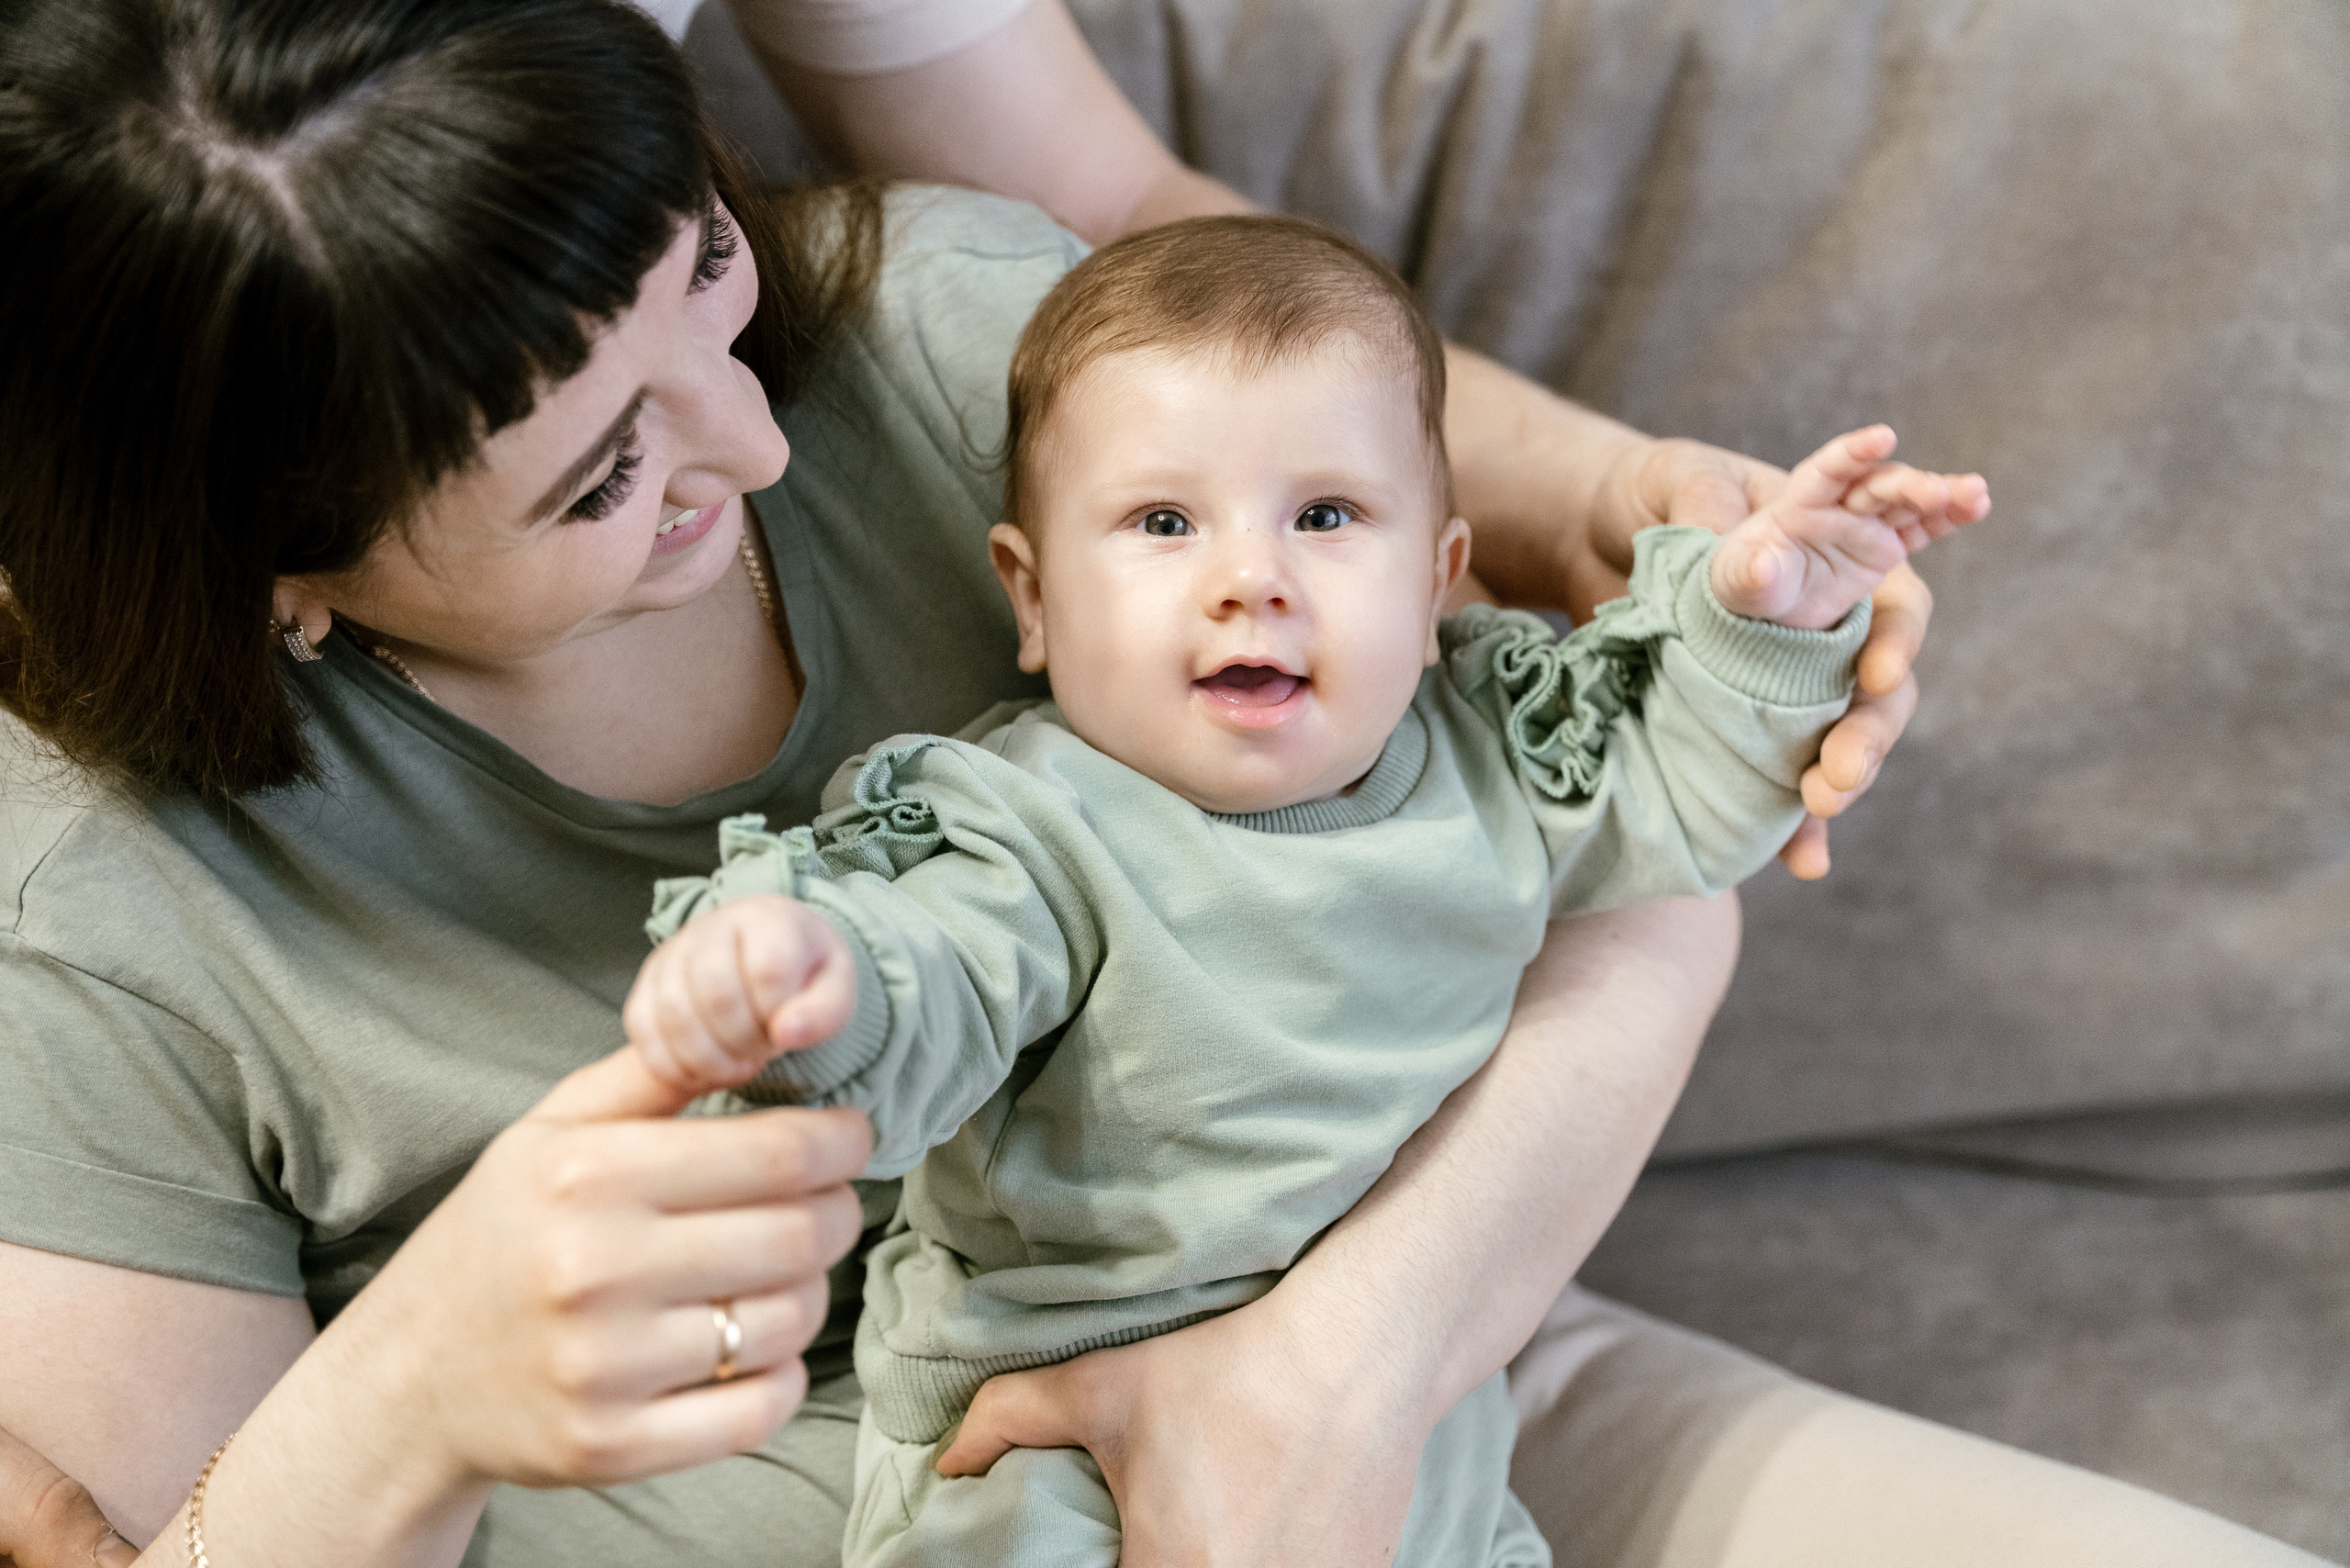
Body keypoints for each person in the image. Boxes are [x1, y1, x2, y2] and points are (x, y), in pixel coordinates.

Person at [0, 2, 2322, 1567]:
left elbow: (1582, 851)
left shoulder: (953, 336)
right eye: (607, 479)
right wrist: (413, 1378)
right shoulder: (90, 924)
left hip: (1402, 1331)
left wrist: (1332, 1362)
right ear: (281, 575)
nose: (755, 434)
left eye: (703, 269)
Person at [621, 214, 1986, 1568]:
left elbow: (1686, 786)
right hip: (1051, 1450)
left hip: (1419, 1450)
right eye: (1164, 521)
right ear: (1031, 600)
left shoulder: (1491, 748)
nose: (1251, 580)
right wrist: (802, 982)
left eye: (1325, 516)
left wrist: (1774, 615)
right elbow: (930, 978)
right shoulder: (1030, 828)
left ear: (1438, 577)